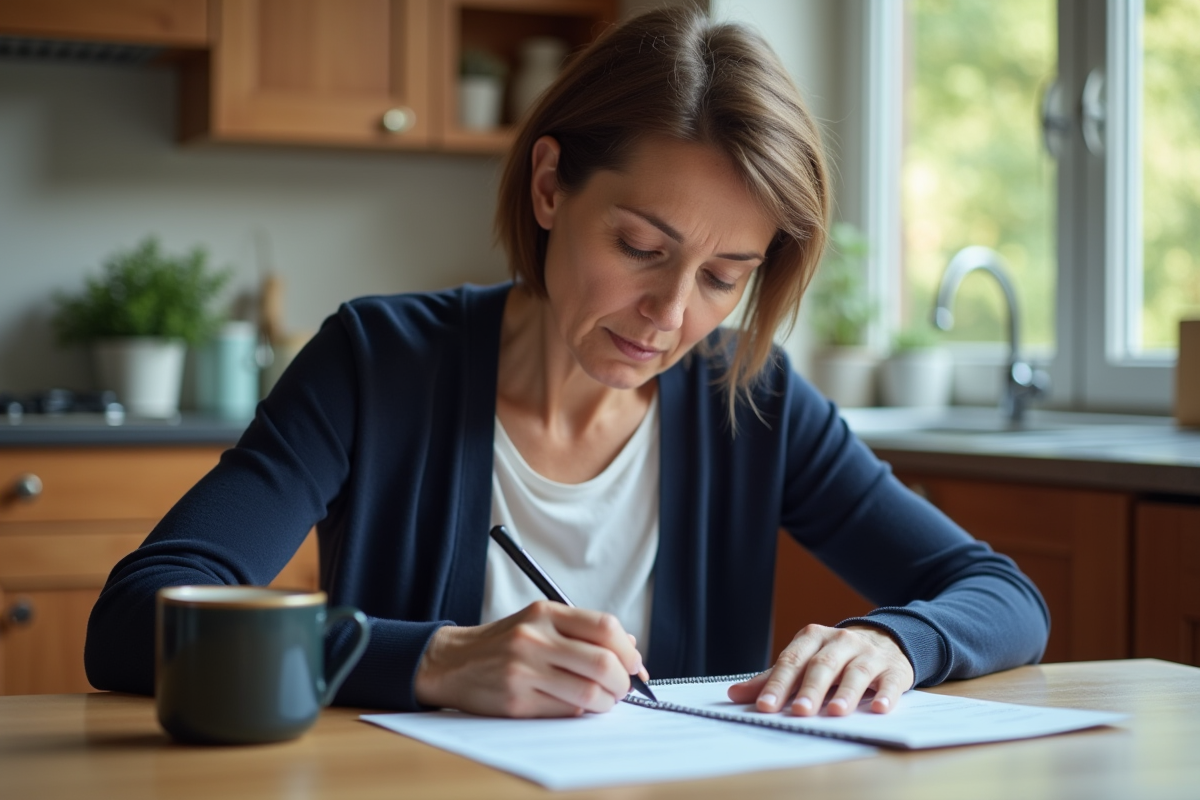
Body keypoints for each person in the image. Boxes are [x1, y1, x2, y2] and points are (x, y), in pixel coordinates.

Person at [85, 8, 1048, 719]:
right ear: (550, 187)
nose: (672, 317)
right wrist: (434, 660)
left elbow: (1003, 596)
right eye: (639, 248)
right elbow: (134, 620)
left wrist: (894, 639)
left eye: (724, 277)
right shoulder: (375, 364)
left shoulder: (747, 401)